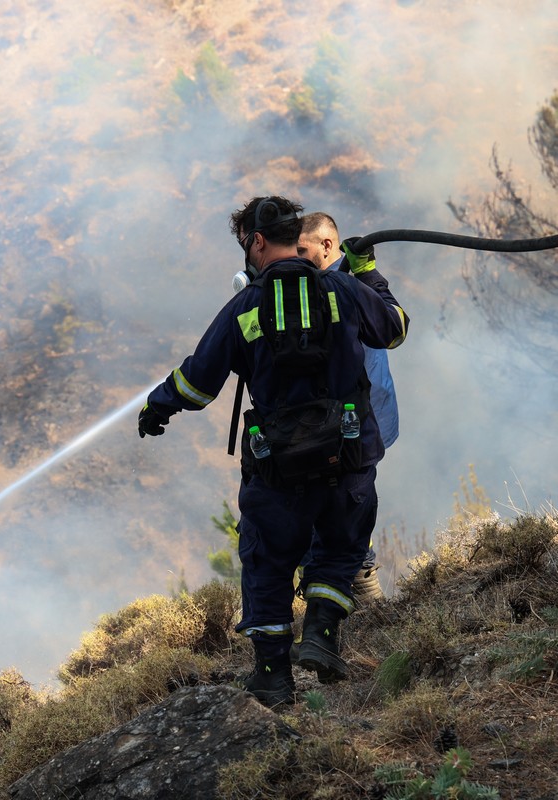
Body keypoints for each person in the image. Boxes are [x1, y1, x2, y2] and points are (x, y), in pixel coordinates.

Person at [138, 196, 409, 707]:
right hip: (347, 452)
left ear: (258, 242)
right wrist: (370, 275)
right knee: (339, 546)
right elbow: (394, 329)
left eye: (246, 244)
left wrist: (158, 407)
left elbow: (198, 382)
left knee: (267, 561)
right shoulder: (343, 290)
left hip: (277, 465)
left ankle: (271, 677)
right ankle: (323, 635)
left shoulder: (244, 307)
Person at [297, 211, 399, 602]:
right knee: (338, 510)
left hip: (352, 425)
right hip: (346, 426)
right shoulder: (334, 284)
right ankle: (351, 604)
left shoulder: (340, 289)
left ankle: (356, 603)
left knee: (340, 513)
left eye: (302, 250)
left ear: (327, 245)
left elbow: (395, 327)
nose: (296, 258)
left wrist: (370, 276)